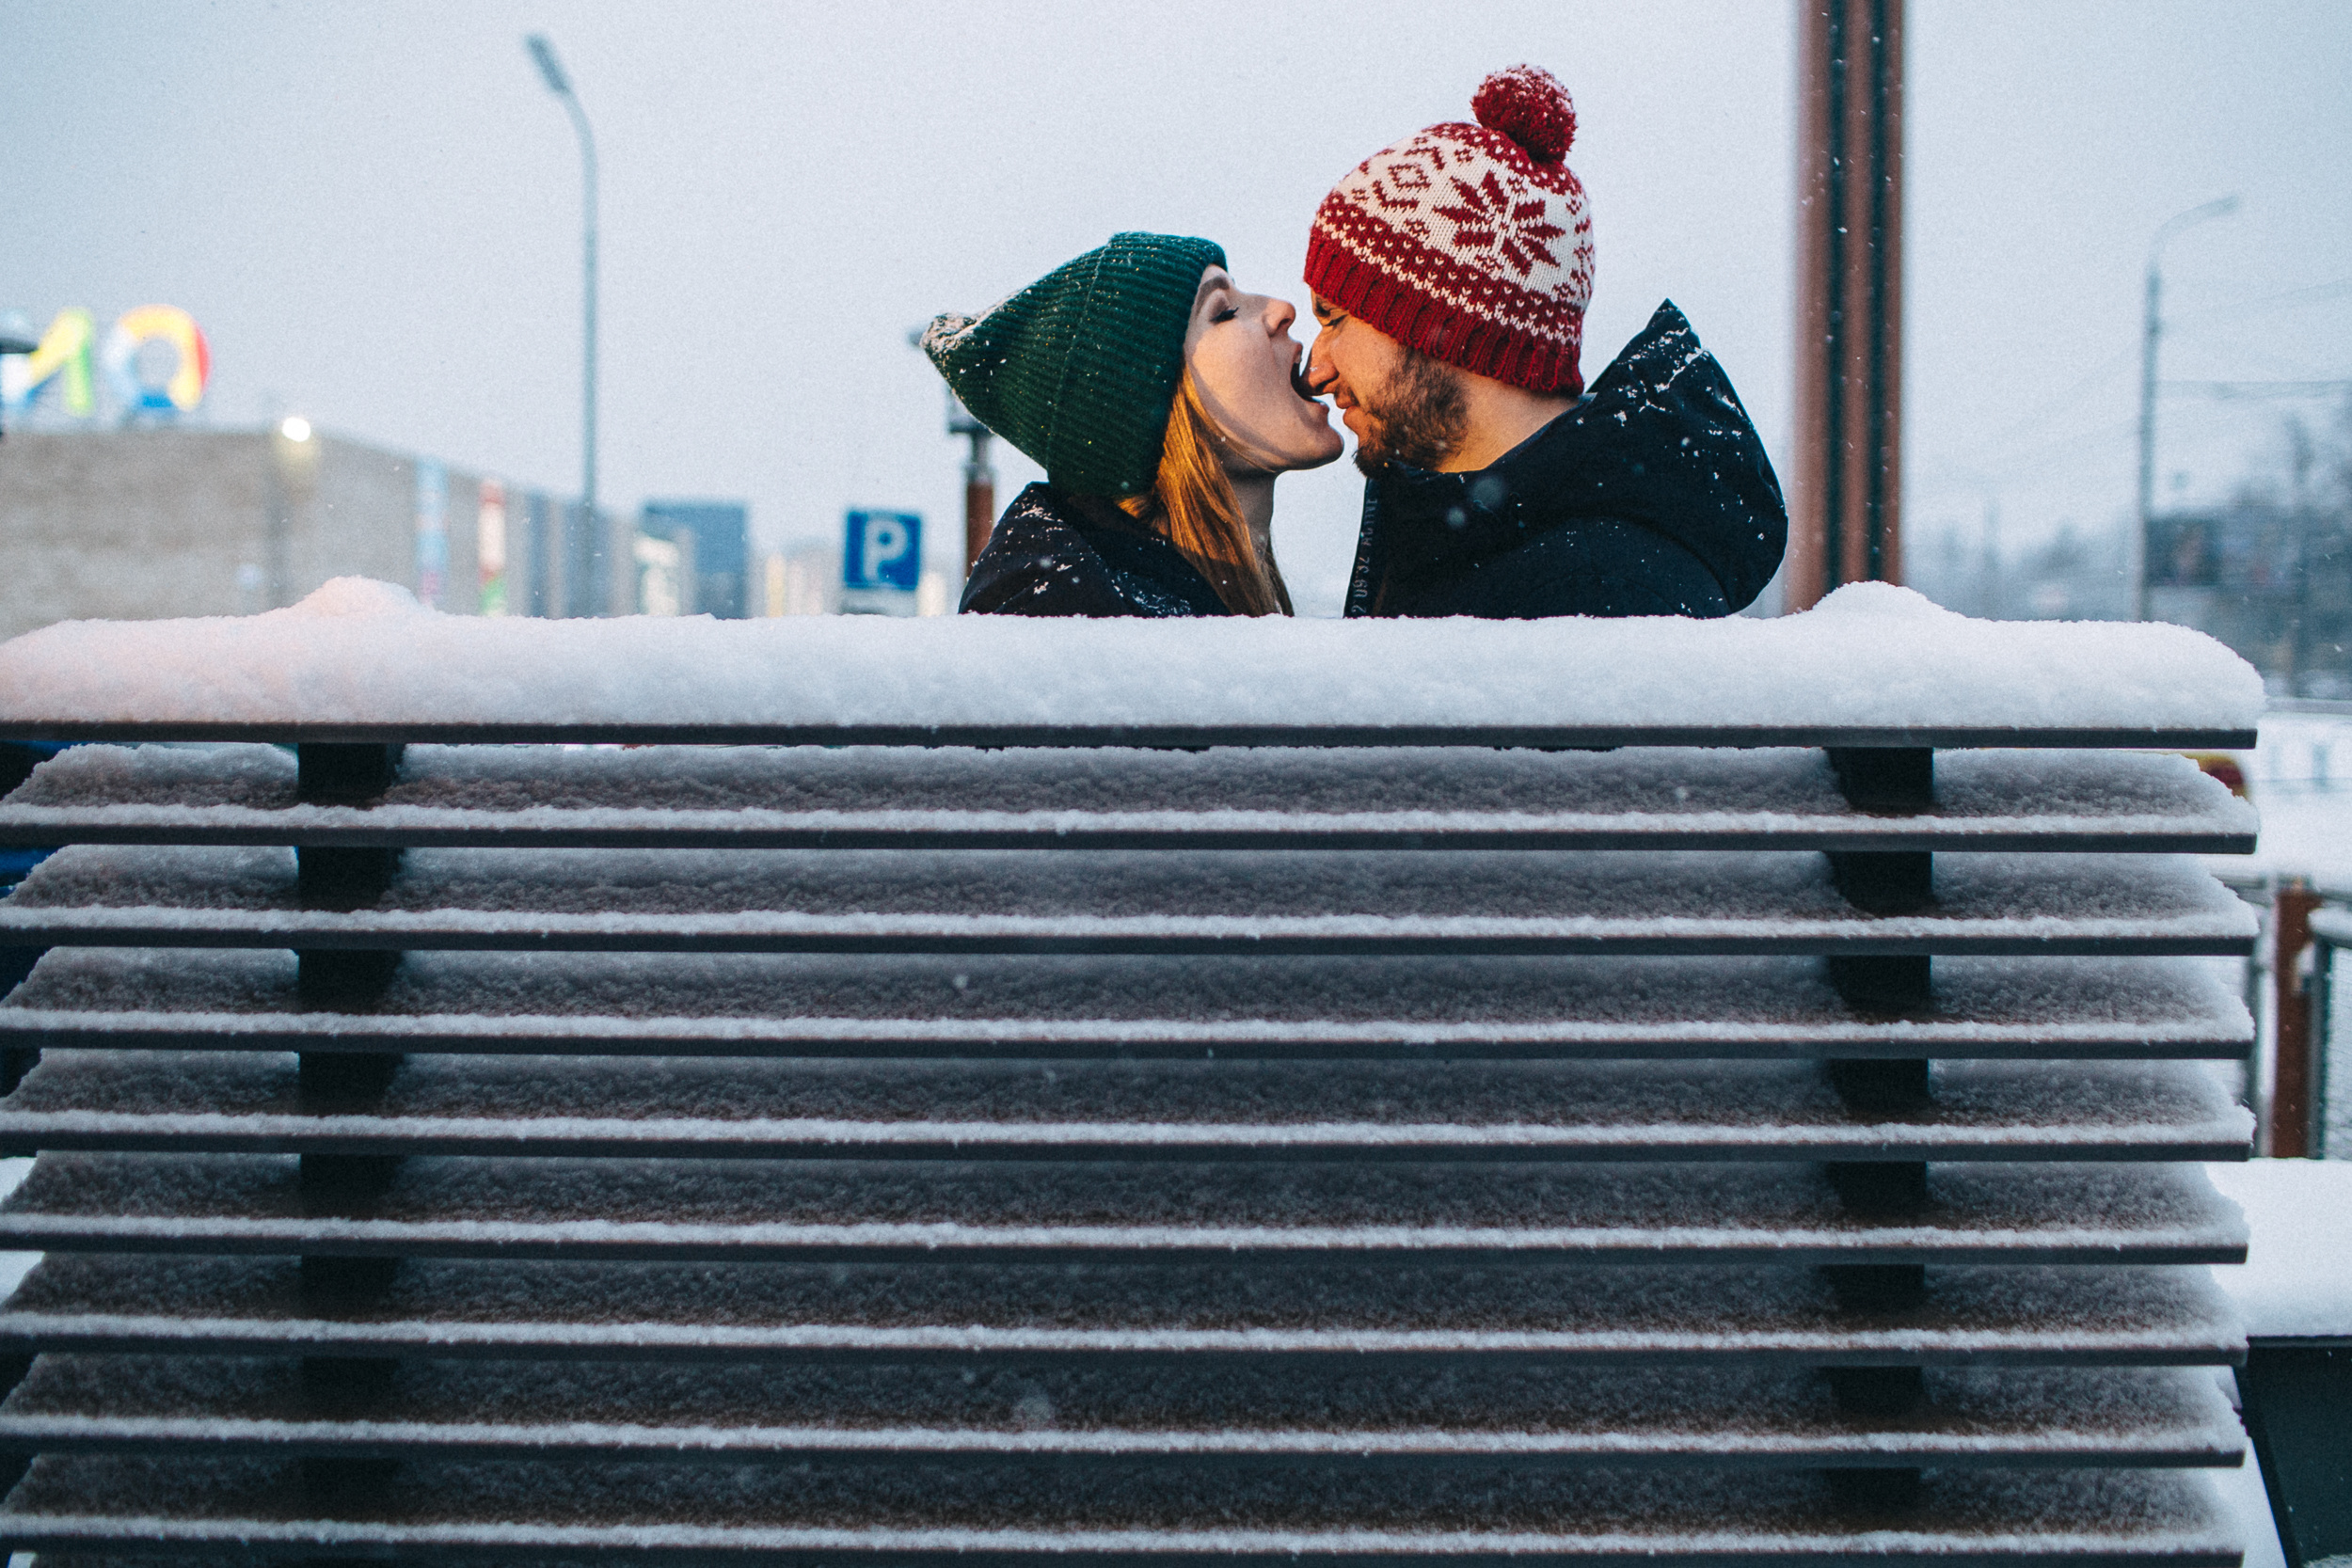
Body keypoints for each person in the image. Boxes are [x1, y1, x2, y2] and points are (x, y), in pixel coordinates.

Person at [1302, 65, 1788, 620]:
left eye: (1335, 318)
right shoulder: (1477, 539)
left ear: (1449, 324)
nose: (1316, 370)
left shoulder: (1606, 597)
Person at [924, 232, 1343, 617]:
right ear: (1151, 409)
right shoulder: (1074, 616)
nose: (1282, 309)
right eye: (1225, 312)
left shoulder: (1152, 609)